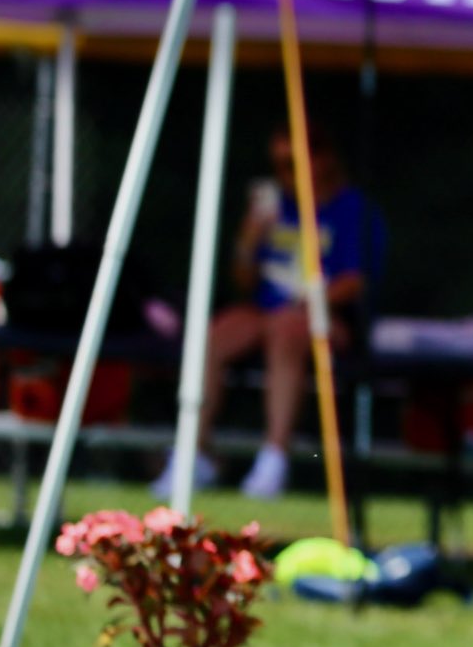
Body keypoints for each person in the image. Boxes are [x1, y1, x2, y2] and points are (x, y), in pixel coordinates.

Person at [153, 120, 386, 500]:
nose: (284, 175)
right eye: (279, 166)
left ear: (322, 160)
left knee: (287, 330)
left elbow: (356, 280)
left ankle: (274, 458)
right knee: (214, 334)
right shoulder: (274, 208)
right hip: (267, 312)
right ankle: (195, 453)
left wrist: (313, 300)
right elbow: (244, 283)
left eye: (292, 164)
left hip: (326, 319)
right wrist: (248, 239)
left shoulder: (353, 210)